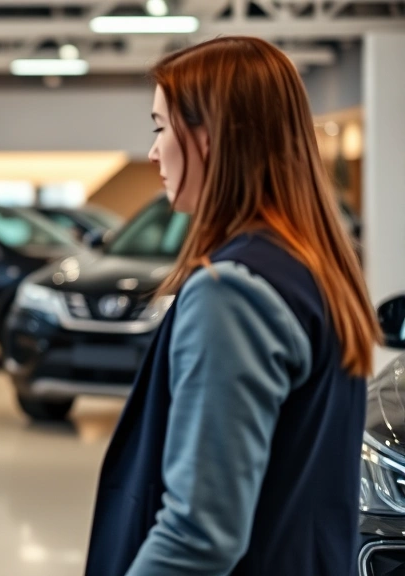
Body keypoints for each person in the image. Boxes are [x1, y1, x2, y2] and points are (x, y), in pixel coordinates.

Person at [84, 36, 379, 575]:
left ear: (211, 137)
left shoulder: (231, 292)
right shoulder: (311, 268)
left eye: (160, 127)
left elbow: (199, 535)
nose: (152, 153)